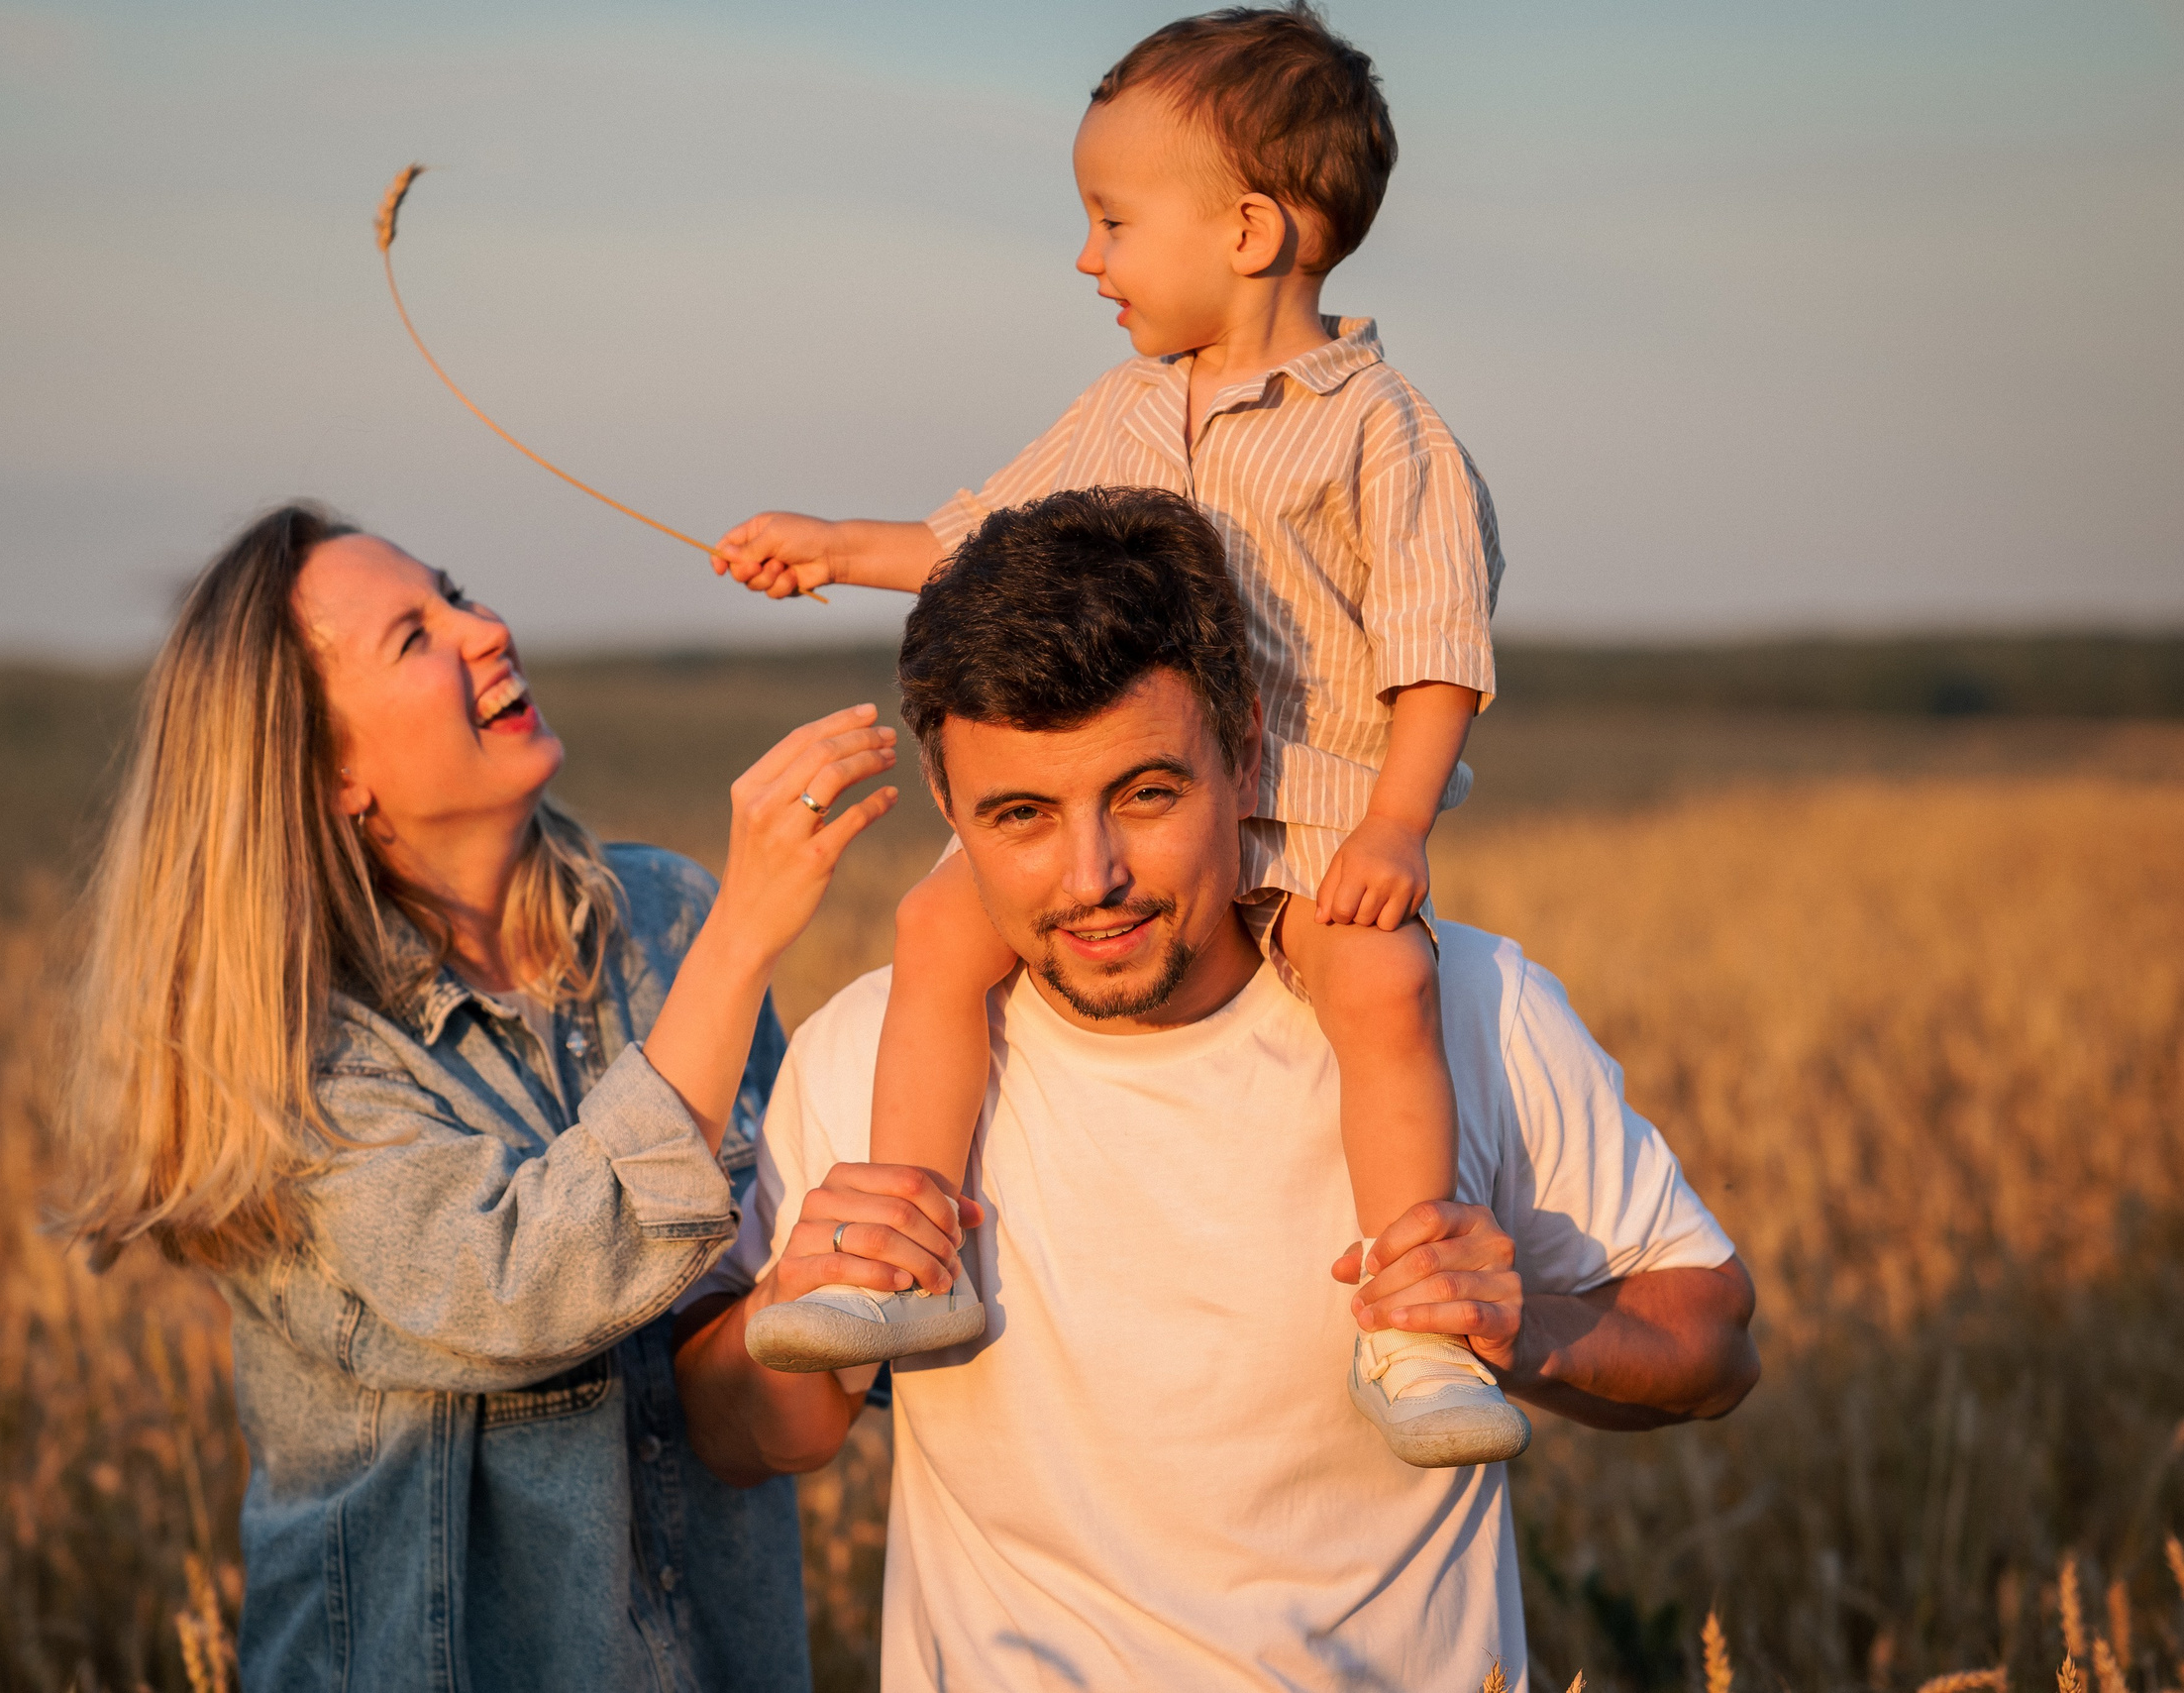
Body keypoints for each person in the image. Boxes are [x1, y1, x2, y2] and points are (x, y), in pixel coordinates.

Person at [676, 487, 1758, 1688]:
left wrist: (1523, 1326)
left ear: (1244, 748)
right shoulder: (867, 1050)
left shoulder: (1465, 1006)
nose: (1092, 878)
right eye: (1020, 815)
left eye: (1146, 794)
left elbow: (1714, 1348)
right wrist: (791, 1304)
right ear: (945, 803)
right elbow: (737, 1438)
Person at [715, 4, 1518, 1463]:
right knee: (938, 928)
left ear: (1254, 230)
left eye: (1111, 221)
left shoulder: (1383, 431)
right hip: (1139, 806)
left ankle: (1414, 1321)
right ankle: (914, 1249)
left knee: (1388, 987)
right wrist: (835, 543)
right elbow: (981, 537)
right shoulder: (1127, 409)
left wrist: (1399, 827)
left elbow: (1436, 652)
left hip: (1319, 814)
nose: (1088, 258)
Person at [54, 503, 901, 1690]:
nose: (486, 626)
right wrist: (746, 938)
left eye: (456, 591)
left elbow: (750, 1311)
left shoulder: (664, 916)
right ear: (327, 769)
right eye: (415, 635)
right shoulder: (291, 1057)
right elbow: (515, 1290)